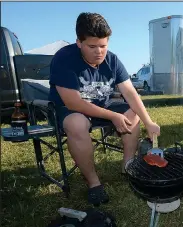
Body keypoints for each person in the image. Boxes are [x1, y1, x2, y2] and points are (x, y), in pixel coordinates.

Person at [48, 12, 160, 206]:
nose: (99, 52)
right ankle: (94, 184)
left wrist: (149, 122)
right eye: (92, 46)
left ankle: (128, 166)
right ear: (79, 43)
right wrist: (113, 116)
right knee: (77, 123)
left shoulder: (113, 60)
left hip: (102, 105)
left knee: (133, 111)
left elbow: (131, 93)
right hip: (70, 110)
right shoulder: (64, 58)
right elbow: (73, 103)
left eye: (103, 46)